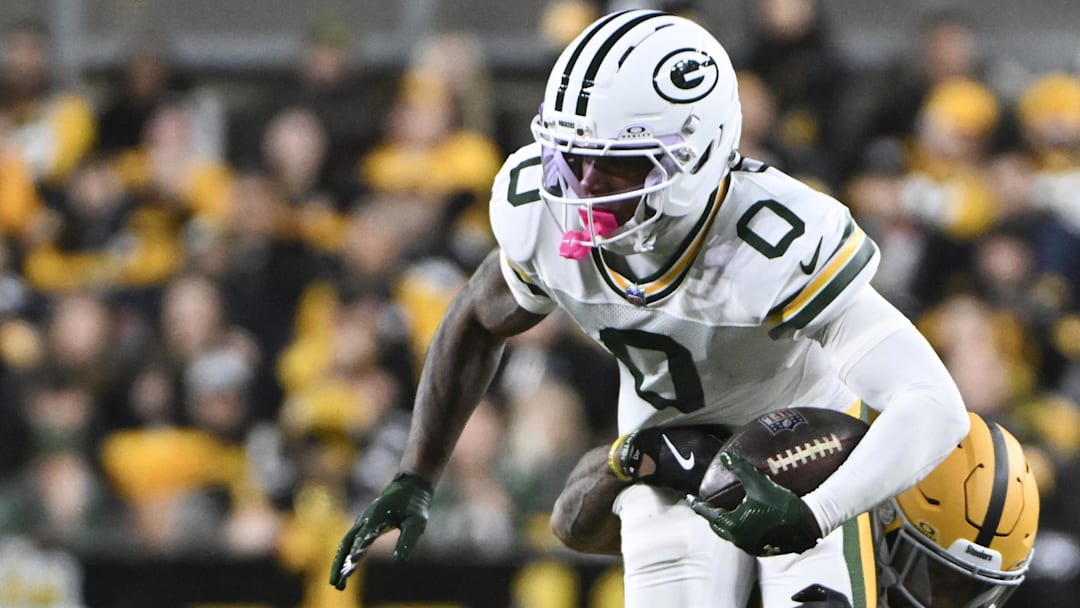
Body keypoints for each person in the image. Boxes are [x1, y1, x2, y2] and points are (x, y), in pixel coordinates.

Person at [329, 10, 969, 607]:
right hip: (664, 452)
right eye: (571, 159)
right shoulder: (543, 217)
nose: (581, 191)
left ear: (697, 154)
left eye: (614, 168)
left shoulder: (772, 240)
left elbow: (934, 404)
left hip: (801, 450)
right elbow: (474, 319)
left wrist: (819, 511)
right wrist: (416, 473)